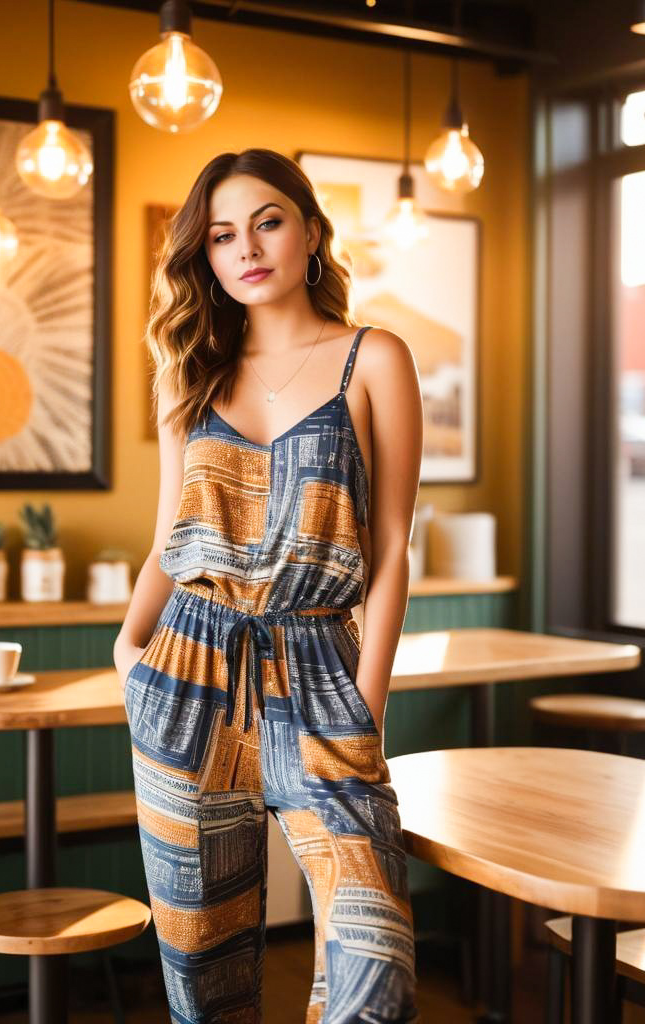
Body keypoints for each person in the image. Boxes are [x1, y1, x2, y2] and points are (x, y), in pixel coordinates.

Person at [114, 147, 423, 1024]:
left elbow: (394, 548)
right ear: (204, 257)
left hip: (322, 673)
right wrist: (128, 651)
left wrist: (368, 702)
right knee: (204, 978)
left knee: (376, 974)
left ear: (311, 230)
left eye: (268, 221)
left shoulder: (374, 359)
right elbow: (167, 540)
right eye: (220, 235)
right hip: (187, 672)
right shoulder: (189, 373)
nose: (246, 248)